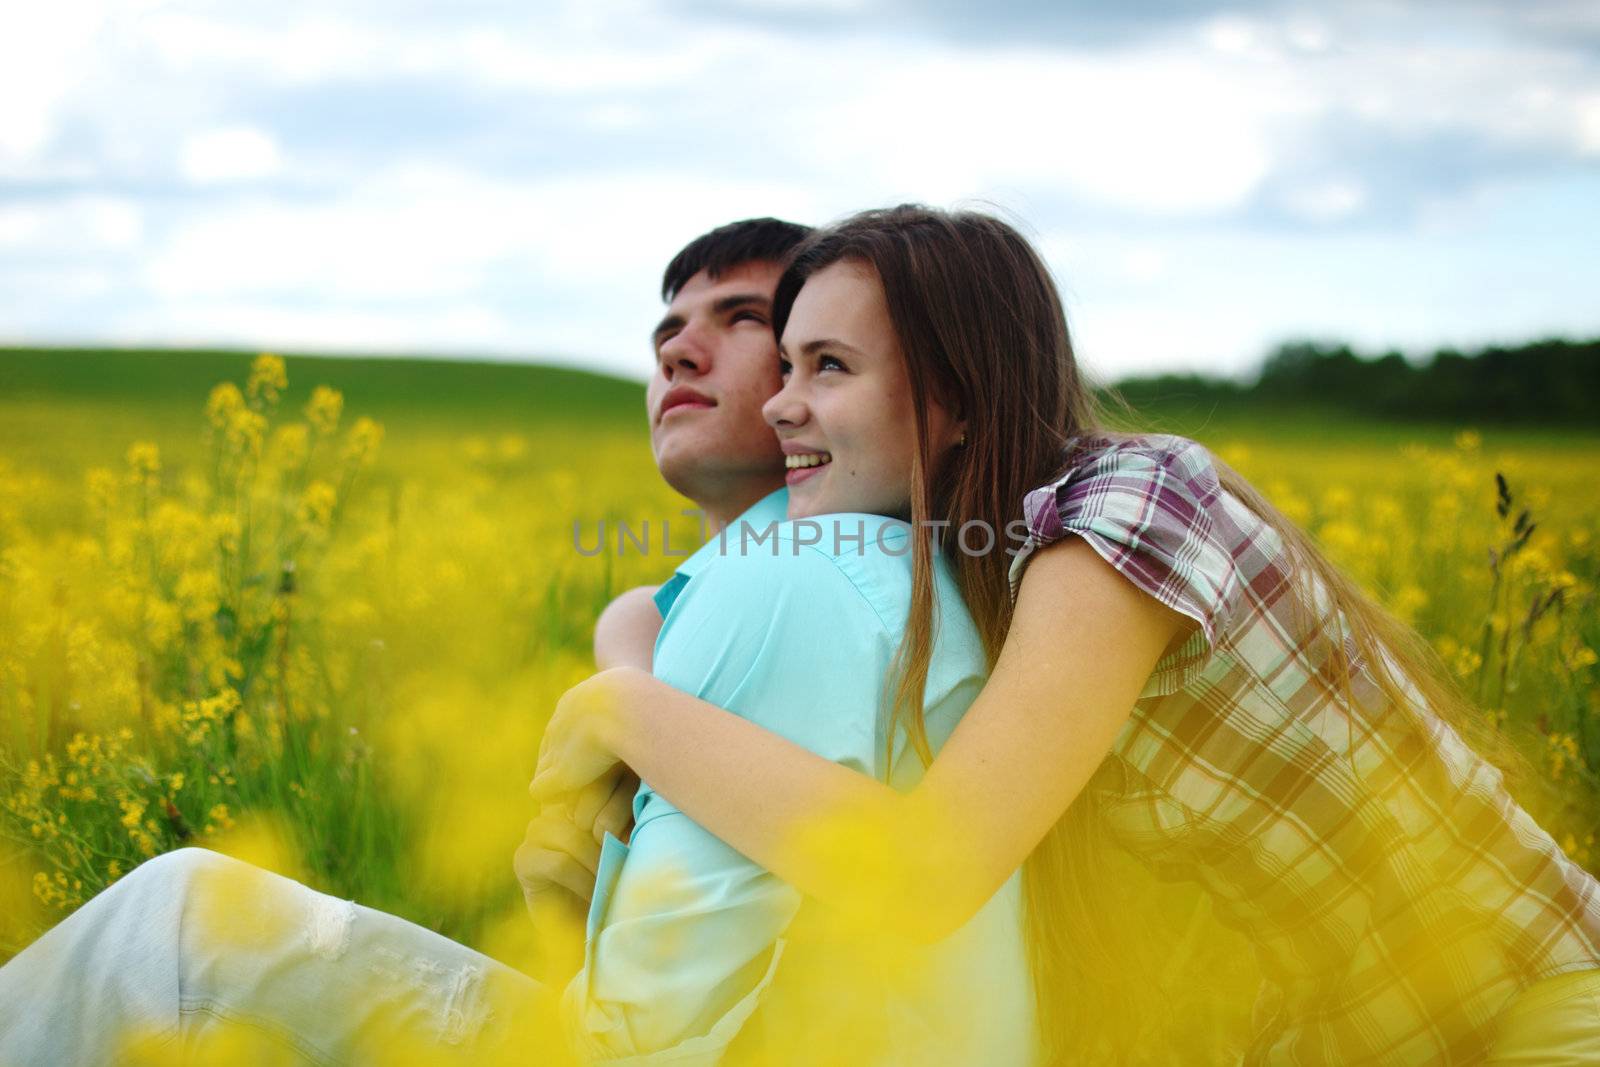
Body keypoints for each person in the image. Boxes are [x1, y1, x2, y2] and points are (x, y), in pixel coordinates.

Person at [532, 205, 1600, 1065]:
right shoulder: (984, 555)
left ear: (952, 388)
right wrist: (629, 649)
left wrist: (623, 709)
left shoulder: (1127, 510)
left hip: (1535, 1011)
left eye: (827, 368)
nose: (778, 406)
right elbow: (662, 601)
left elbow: (924, 871)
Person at [0, 215, 1038, 1067]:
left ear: (939, 393)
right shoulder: (886, 577)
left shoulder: (795, 582)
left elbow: (648, 1033)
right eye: (668, 328)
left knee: (173, 922)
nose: (688, 351)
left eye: (758, 327)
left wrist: (618, 699)